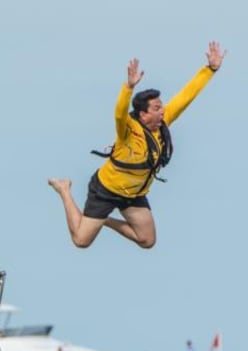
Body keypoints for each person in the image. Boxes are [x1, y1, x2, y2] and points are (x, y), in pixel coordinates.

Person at [48, 41, 226, 249]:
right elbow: (119, 113)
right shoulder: (129, 131)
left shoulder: (163, 122)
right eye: (157, 108)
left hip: (133, 195)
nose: (162, 111)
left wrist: (210, 69)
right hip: (106, 190)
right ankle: (64, 189)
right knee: (81, 241)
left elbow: (186, 96)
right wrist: (128, 88)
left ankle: (102, 220)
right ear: (143, 114)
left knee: (147, 240)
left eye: (162, 107)